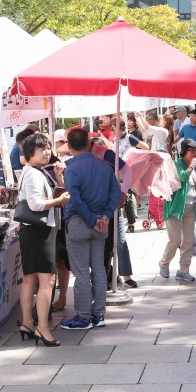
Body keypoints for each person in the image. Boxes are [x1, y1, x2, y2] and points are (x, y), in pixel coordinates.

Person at [59, 127, 122, 330]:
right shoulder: (104, 167)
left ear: (68, 147)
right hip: (100, 223)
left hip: (80, 223)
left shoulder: (72, 169)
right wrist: (105, 215)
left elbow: (75, 199)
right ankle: (99, 314)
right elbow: (116, 192)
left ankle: (83, 316)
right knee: (99, 269)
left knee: (81, 272)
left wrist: (90, 218)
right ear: (89, 143)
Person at [16, 133, 68, 347]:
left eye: (48, 148)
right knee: (47, 282)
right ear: (30, 153)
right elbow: (37, 204)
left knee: (30, 279)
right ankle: (43, 328)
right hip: (39, 232)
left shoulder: (34, 172)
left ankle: (28, 323)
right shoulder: (33, 174)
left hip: (33, 231)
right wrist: (59, 200)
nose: (47, 152)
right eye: (41, 149)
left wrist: (59, 179)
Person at [159, 139, 196, 282]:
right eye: (191, 151)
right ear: (184, 151)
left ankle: (184, 270)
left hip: (190, 209)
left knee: (188, 241)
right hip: (175, 208)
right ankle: (164, 263)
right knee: (175, 240)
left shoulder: (192, 166)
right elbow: (182, 177)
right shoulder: (176, 164)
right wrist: (192, 166)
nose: (195, 154)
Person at [51, 130, 72, 312]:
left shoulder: (61, 165)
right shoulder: (32, 170)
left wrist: (59, 178)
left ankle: (63, 296)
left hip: (60, 219)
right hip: (44, 221)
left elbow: (66, 193)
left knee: (62, 261)